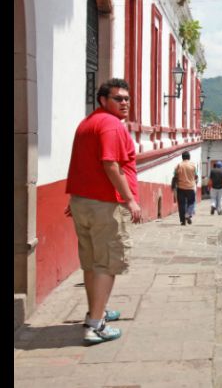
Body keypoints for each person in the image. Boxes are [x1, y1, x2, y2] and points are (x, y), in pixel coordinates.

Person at [64, 78, 143, 344]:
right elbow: (110, 165)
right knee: (107, 264)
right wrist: (130, 199)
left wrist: (76, 196)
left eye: (126, 99)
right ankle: (95, 325)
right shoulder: (110, 126)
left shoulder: (88, 123)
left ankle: (96, 312)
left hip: (83, 202)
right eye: (118, 98)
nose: (124, 103)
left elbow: (81, 161)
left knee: (91, 263)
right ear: (103, 100)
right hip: (105, 204)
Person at [174, 151, 198, 225]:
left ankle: (182, 221)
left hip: (180, 187)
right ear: (189, 157)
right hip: (190, 187)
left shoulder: (179, 165)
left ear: (182, 157)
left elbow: (175, 175)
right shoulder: (193, 165)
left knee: (181, 204)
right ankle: (188, 214)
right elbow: (196, 176)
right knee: (191, 202)